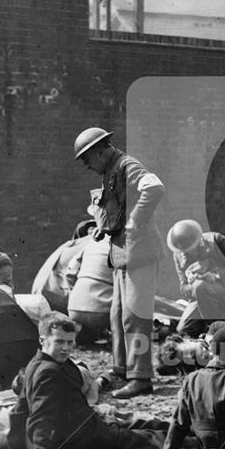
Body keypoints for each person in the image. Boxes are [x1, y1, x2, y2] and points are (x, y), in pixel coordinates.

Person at [18, 313, 181, 449]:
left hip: (89, 423)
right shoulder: (48, 372)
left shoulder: (37, 362)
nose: (66, 348)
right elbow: (42, 418)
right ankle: (197, 441)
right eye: (59, 342)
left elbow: (23, 402)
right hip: (80, 440)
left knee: (142, 424)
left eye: (70, 342)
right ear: (42, 340)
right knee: (147, 439)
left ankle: (191, 429)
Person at [74, 127, 167, 399]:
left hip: (140, 253)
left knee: (135, 316)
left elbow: (155, 188)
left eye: (87, 159)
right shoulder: (109, 171)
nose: (87, 166)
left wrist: (136, 220)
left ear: (101, 150)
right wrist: (104, 227)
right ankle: (121, 369)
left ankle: (141, 378)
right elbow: (116, 206)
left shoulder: (127, 165)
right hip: (121, 254)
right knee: (116, 315)